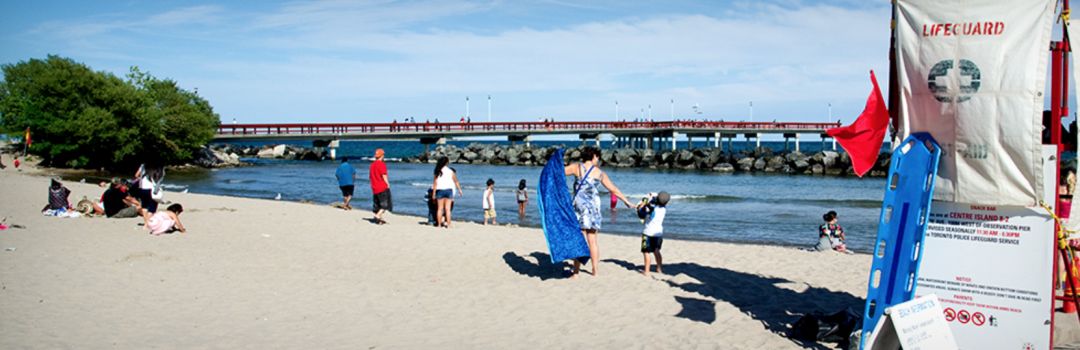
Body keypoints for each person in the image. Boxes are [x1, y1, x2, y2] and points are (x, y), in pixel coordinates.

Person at [564, 147, 634, 277]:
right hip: (593, 209)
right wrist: (626, 201)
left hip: (580, 208)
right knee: (593, 241)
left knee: (580, 240)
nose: (598, 160)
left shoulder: (576, 168)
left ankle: (576, 272)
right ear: (594, 156)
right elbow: (613, 189)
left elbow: (558, 173)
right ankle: (595, 270)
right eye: (598, 157)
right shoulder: (600, 173)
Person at [637, 191, 670, 276]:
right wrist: (651, 199)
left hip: (647, 233)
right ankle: (659, 268)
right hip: (658, 234)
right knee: (657, 251)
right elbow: (655, 202)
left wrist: (642, 206)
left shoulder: (652, 208)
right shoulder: (664, 209)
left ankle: (647, 271)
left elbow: (642, 214)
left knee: (646, 252)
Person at [432, 156, 463, 228]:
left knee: (439, 209)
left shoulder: (437, 171)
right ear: (447, 162)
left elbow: (435, 183)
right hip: (449, 190)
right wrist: (460, 190)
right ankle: (448, 224)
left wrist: (433, 194)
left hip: (440, 190)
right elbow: (456, 181)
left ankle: (439, 224)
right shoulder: (450, 171)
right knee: (448, 209)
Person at [370, 149, 392, 224]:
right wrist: (388, 184)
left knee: (377, 204)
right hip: (382, 187)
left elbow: (371, 176)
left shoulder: (372, 165)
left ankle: (379, 218)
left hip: (374, 187)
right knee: (385, 205)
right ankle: (378, 216)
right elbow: (384, 175)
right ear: (382, 156)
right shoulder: (382, 164)